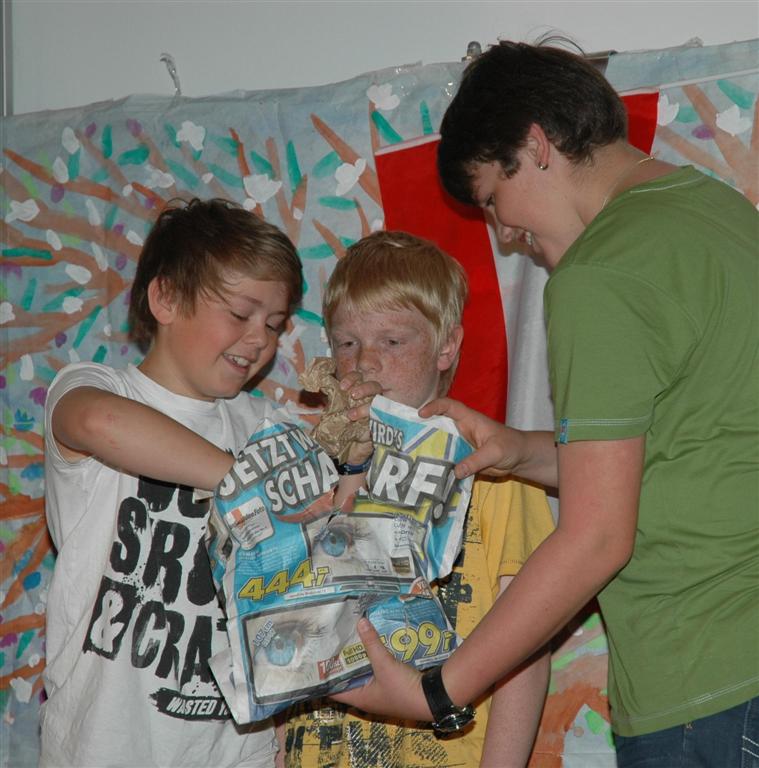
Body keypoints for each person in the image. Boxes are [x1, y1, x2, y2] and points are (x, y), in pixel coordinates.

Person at [331, 41, 759, 767]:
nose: (505, 235)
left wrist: (438, 691)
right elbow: (686, 446)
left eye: (491, 200)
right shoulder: (715, 211)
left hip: (703, 678)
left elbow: (596, 538)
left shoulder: (602, 272)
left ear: (534, 146)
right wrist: (520, 450)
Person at [41, 197, 374, 767]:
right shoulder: (96, 386)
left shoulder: (267, 425)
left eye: (274, 325)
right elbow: (96, 423)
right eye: (241, 314)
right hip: (103, 745)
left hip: (235, 749)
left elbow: (328, 549)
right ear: (166, 299)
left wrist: (355, 465)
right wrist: (245, 480)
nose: (260, 339)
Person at [282, 230, 555, 767]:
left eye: (392, 342)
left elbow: (528, 644)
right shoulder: (306, 472)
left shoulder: (494, 470)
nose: (365, 363)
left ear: (446, 346)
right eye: (347, 343)